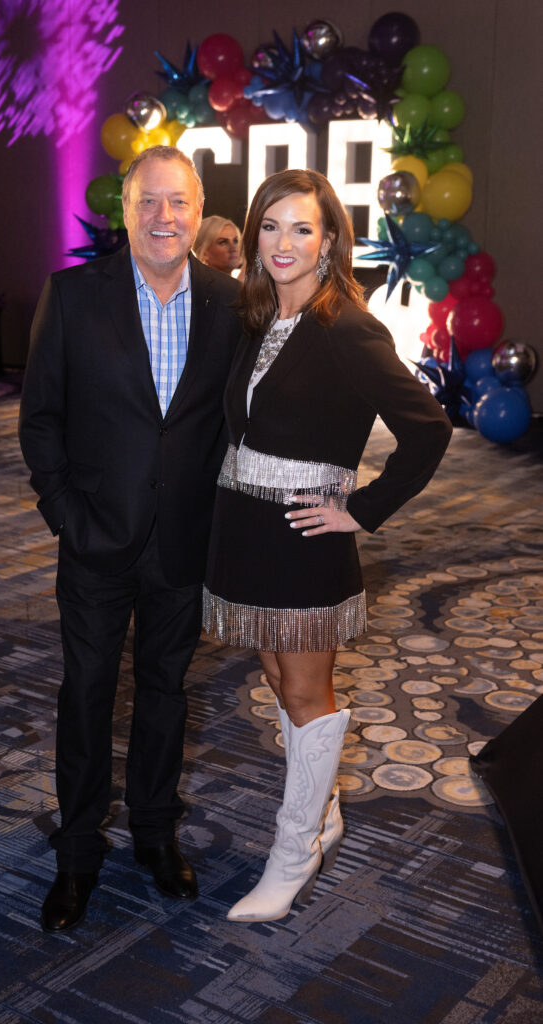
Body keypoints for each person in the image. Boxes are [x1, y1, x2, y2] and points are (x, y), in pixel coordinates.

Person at [203, 168, 452, 923]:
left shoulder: (347, 324)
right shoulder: (258, 314)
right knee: (279, 679)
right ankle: (324, 811)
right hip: (246, 526)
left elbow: (428, 429)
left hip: (305, 537)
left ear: (328, 240)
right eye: (270, 226)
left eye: (301, 228)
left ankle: (294, 847)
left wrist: (363, 509)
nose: (283, 242)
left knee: (307, 692)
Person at [19, 146, 241, 933]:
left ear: (199, 206)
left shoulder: (228, 303)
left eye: (177, 203)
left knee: (164, 696)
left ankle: (154, 833)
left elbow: (229, 423)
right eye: (148, 202)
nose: (163, 218)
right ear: (124, 209)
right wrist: (66, 518)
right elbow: (39, 420)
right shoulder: (74, 296)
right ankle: (77, 853)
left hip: (182, 545)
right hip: (95, 544)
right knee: (84, 697)